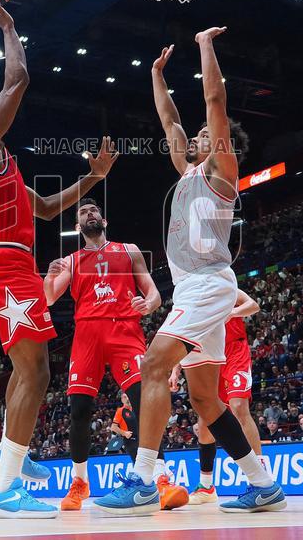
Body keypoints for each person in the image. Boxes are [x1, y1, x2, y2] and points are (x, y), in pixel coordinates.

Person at [95, 28, 285, 515]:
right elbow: (169, 119)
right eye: (197, 137)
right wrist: (157, 75)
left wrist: (204, 44)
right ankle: (262, 485)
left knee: (153, 365)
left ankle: (141, 479)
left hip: (207, 284)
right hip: (192, 290)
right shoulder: (187, 171)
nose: (196, 137)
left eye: (206, 135)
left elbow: (214, 98)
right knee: (205, 399)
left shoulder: (222, 171)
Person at [0, 0, 117, 518]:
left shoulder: (1, 161)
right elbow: (16, 83)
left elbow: (42, 210)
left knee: (29, 369)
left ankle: (5, 454)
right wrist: (10, 26)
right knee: (36, 371)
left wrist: (93, 180)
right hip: (0, 263)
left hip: (12, 261)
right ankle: (4, 482)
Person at [43, 198, 179, 511]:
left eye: (94, 211)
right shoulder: (72, 260)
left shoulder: (128, 250)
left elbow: (154, 293)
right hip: (87, 334)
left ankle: (160, 478)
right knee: (78, 410)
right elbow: (49, 298)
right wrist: (49, 277)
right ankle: (80, 482)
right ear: (78, 227)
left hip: (124, 331)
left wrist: (150, 304)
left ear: (104, 222)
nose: (90, 214)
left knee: (146, 400)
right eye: (83, 213)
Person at [176, 290, 266, 505]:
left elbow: (254, 305)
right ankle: (206, 486)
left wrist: (231, 312)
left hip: (235, 350)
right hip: (211, 356)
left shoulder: (226, 286)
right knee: (206, 421)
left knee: (238, 406)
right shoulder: (192, 294)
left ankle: (262, 479)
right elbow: (185, 335)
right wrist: (175, 368)